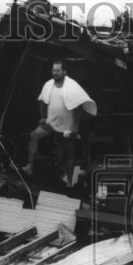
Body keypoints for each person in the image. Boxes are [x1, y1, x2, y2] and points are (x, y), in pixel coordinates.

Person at [22, 59, 97, 187]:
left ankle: (68, 182)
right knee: (34, 135)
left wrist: (75, 127)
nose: (55, 73)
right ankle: (30, 165)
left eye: (58, 70)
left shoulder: (72, 86)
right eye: (53, 70)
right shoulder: (48, 85)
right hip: (51, 123)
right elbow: (41, 100)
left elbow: (78, 107)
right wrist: (43, 118)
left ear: (64, 72)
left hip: (66, 127)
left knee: (68, 154)